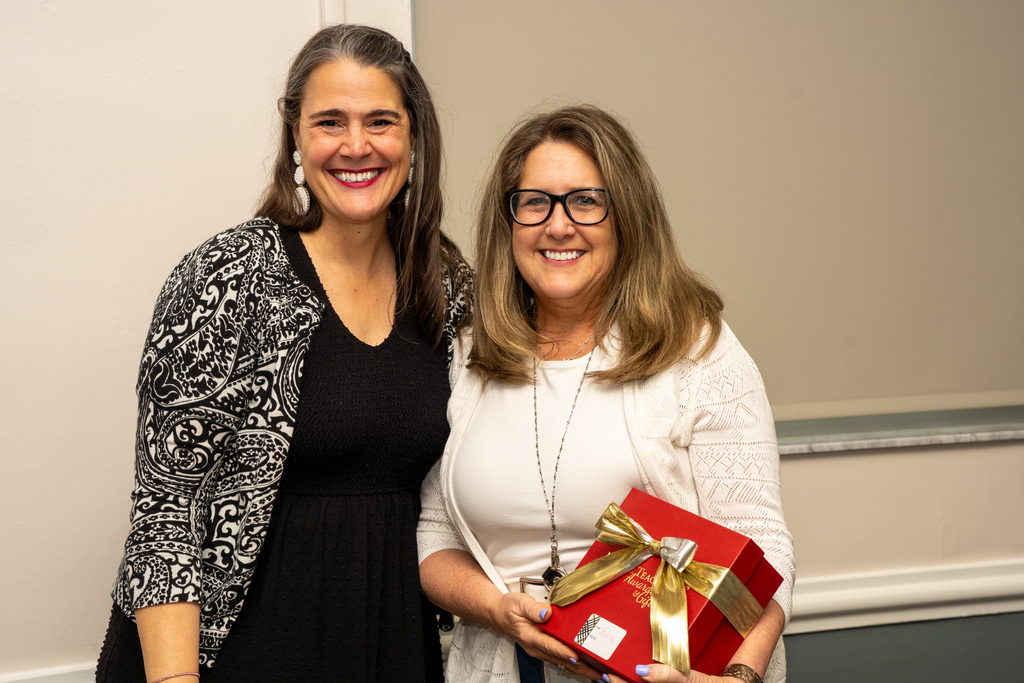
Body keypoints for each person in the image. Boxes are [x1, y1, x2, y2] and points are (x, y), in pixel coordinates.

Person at [96, 24, 471, 683]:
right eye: (330, 121)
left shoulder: (447, 285)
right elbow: (166, 516)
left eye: (380, 120)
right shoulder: (228, 278)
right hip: (235, 655)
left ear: (414, 136)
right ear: (296, 134)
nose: (356, 145)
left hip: (389, 646)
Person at [417, 105, 795, 683]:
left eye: (586, 201)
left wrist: (738, 680)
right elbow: (437, 536)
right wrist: (498, 611)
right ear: (509, 222)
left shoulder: (697, 351)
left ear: (628, 218)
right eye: (534, 202)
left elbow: (761, 549)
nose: (558, 225)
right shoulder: (471, 354)